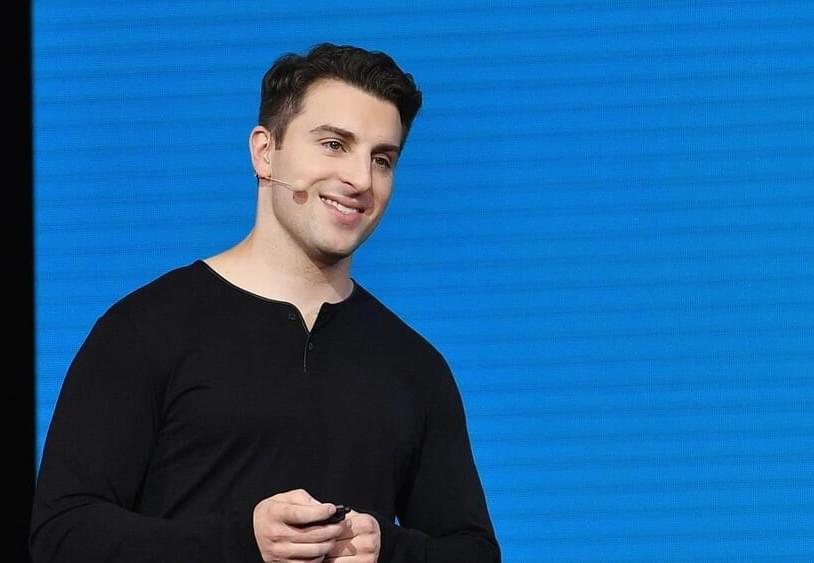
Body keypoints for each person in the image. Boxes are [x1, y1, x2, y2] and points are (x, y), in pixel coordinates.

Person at [30, 43, 500, 563]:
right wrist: (242, 542)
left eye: (382, 159)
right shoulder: (144, 330)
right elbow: (61, 534)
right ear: (265, 151)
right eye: (334, 144)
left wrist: (387, 550)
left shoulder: (415, 367)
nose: (361, 179)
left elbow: (473, 551)